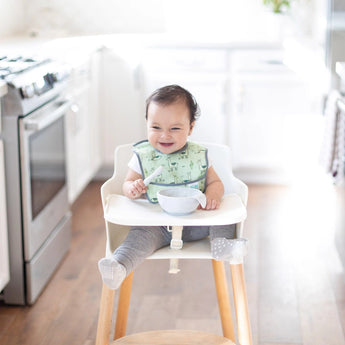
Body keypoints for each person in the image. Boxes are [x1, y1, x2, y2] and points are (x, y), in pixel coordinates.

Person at [98, 85, 247, 289]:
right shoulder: (142, 156)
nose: (164, 136)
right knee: (138, 239)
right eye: (156, 127)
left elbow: (215, 182)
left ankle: (223, 247)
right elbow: (126, 185)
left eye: (175, 128)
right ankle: (119, 266)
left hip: (197, 221)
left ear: (190, 128)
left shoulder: (199, 155)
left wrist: (213, 196)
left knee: (222, 217)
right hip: (156, 225)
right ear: (147, 125)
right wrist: (132, 188)